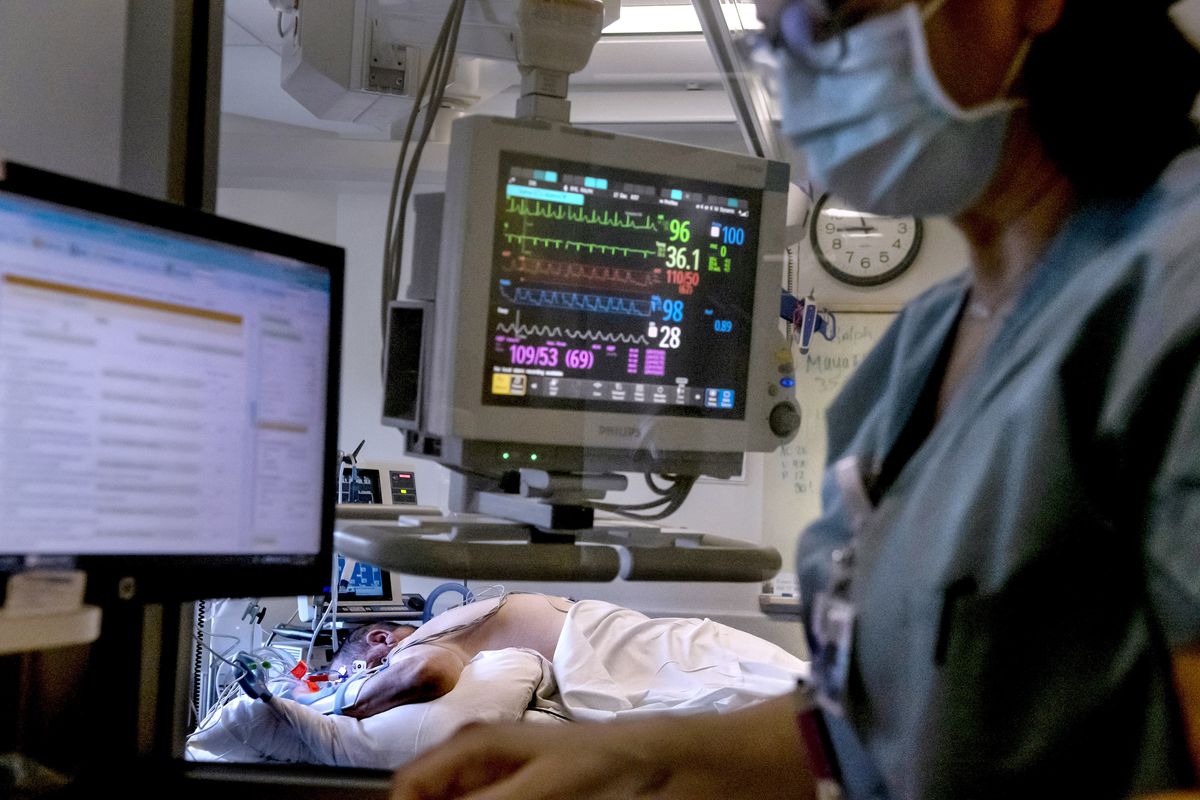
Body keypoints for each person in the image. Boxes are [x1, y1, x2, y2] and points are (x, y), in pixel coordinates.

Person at [388, 1, 1200, 798]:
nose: (808, 74)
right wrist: (637, 757)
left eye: (834, 20)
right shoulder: (921, 354)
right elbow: (865, 734)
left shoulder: (1175, 296)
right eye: (778, 41)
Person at [330, 593, 574, 720]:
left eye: (352, 675)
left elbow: (428, 673)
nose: (366, 681)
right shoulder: (450, 631)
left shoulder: (418, 642)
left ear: (381, 639)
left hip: (588, 640)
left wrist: (340, 702)